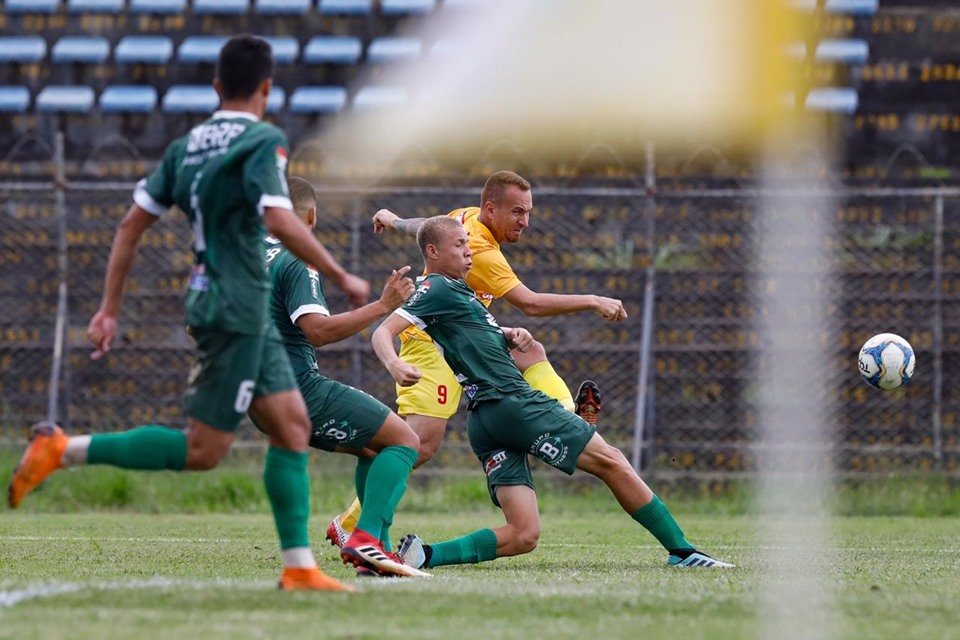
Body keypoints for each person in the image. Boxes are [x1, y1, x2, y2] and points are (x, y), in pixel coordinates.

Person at [7, 35, 370, 592]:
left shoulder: (186, 146)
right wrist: (340, 273)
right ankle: (64, 449)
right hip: (238, 306)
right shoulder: (263, 139)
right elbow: (278, 218)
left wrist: (109, 309)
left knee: (293, 427)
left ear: (216, 87)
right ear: (267, 89)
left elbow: (131, 225)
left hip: (218, 301)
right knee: (204, 450)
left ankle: (299, 567)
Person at [373, 216, 733, 570]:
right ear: (433, 252)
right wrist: (393, 364)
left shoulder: (457, 291)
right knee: (612, 461)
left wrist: (508, 334)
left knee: (524, 534)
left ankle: (425, 555)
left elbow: (470, 336)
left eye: (469, 243)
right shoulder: (436, 288)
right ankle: (683, 551)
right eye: (460, 245)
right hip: (512, 402)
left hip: (485, 420)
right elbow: (382, 332)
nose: (469, 252)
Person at [326, 171, 624, 545]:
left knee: (530, 351)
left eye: (528, 212)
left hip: (466, 334)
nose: (525, 222)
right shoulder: (482, 254)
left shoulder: (464, 218)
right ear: (490, 209)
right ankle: (354, 520)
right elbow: (529, 303)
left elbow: (429, 228)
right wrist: (593, 300)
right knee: (415, 444)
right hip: (432, 343)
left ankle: (567, 413)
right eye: (517, 212)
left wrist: (394, 219)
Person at [264, 177, 427, 578]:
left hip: (258, 397)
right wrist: (383, 305)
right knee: (406, 440)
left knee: (373, 449)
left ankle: (378, 555)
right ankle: (364, 537)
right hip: (298, 390)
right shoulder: (296, 258)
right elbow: (317, 331)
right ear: (311, 216)